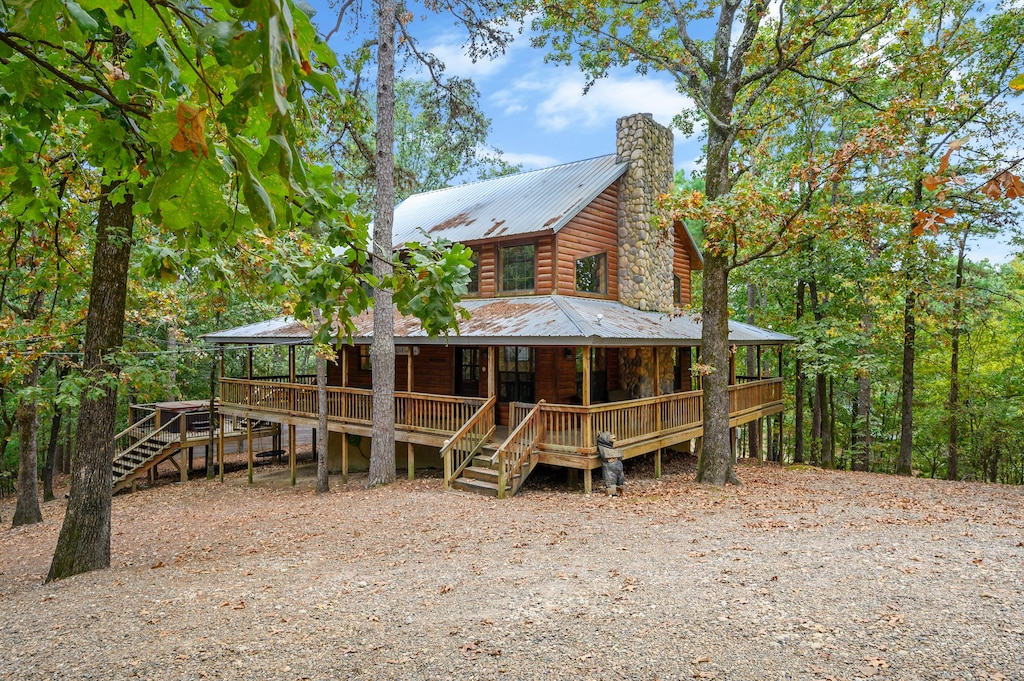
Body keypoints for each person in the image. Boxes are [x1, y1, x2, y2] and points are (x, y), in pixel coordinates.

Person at [597, 431, 625, 496]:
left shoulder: (610, 447)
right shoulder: (602, 448)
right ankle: (612, 493)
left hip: (619, 469)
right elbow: (605, 457)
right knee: (611, 480)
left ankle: (620, 490)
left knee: (620, 480)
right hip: (610, 470)